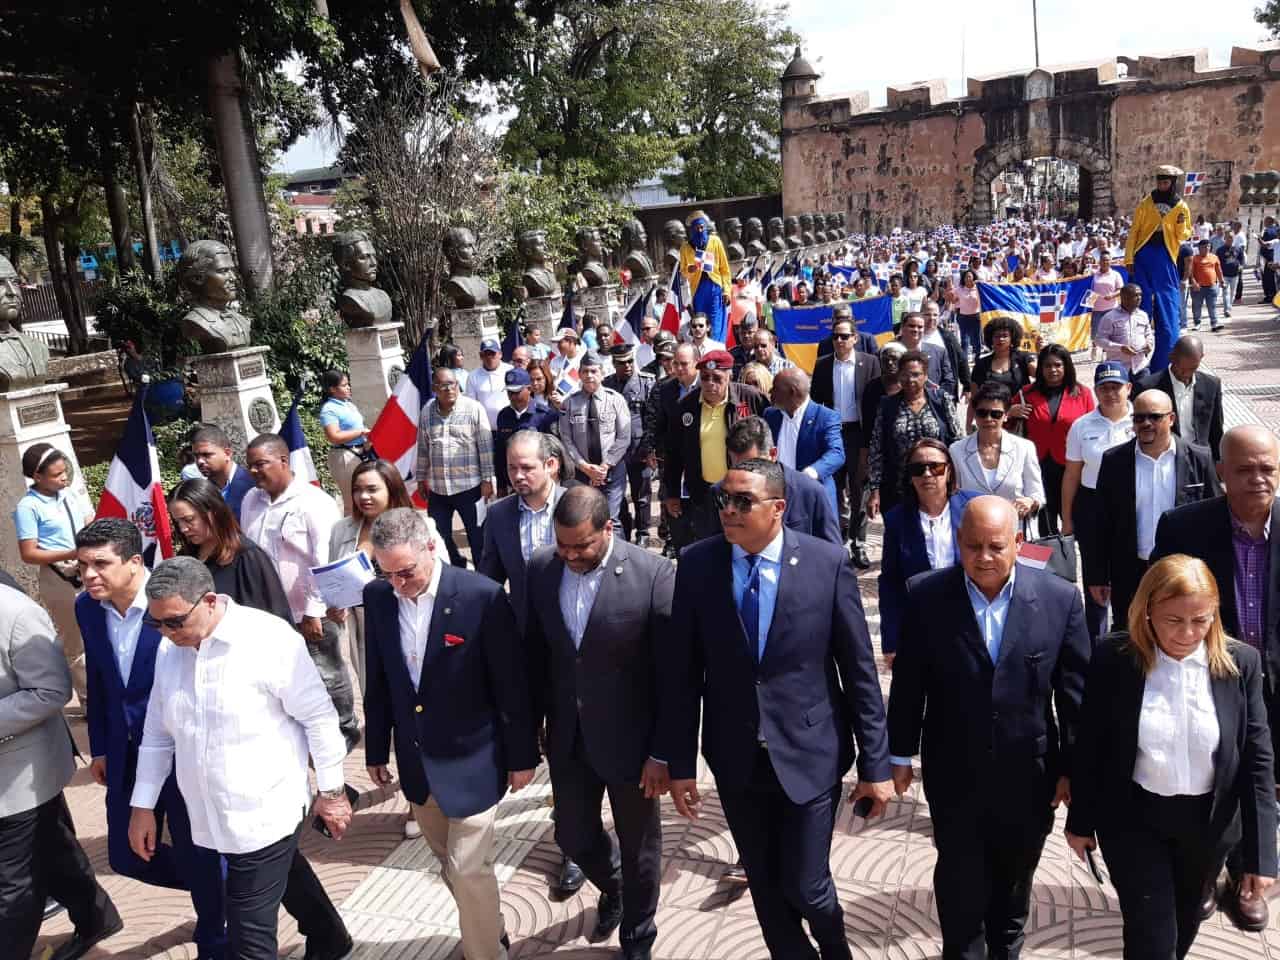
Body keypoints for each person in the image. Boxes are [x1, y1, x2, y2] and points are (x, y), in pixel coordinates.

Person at [658, 458, 893, 960]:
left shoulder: (826, 564)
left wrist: (876, 766)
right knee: (765, 885)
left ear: (779, 508)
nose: (729, 510)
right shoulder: (699, 565)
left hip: (811, 751)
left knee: (807, 885)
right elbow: (682, 673)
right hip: (736, 753)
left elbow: (859, 673)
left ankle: (835, 948)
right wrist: (679, 765)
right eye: (724, 499)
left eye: (744, 501)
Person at [888, 496, 1090, 960]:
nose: (983, 558)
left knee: (1012, 894)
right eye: (972, 546)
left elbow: (1075, 700)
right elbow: (909, 683)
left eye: (996, 546)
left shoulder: (1059, 600)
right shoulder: (927, 595)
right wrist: (897, 754)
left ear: (1018, 543)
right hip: (953, 773)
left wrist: (1072, 771)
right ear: (958, 543)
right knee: (960, 888)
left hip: (1030, 777)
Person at [130, 558, 353, 960]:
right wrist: (143, 806)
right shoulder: (171, 649)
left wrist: (332, 791)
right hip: (208, 813)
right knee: (286, 871)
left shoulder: (268, 640)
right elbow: (158, 735)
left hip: (265, 810)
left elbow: (318, 717)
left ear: (210, 601)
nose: (166, 632)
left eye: (175, 621)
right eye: (156, 623)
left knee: (249, 936)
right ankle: (331, 937)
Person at [1065, 556, 1277, 958]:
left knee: (1182, 929)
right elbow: (1091, 743)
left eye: (1200, 620)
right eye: (1173, 620)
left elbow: (1257, 760)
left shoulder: (1239, 664)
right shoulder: (1116, 658)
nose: (1187, 633)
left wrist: (1263, 855)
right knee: (1152, 938)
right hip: (1134, 822)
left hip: (1208, 829)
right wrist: (1081, 822)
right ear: (1148, 610)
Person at [363, 509, 537, 960]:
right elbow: (379, 680)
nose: (399, 583)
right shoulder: (379, 598)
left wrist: (523, 756)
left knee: (467, 869)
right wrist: (377, 749)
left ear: (430, 547)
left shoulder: (482, 596)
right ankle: (490, 927)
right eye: (389, 574)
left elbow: (512, 686)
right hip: (419, 765)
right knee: (450, 865)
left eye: (407, 572)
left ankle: (485, 954)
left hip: (475, 759)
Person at [523, 487, 675, 960]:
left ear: (608, 529)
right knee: (572, 833)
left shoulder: (653, 575)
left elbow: (675, 676)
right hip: (568, 737)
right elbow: (534, 654)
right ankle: (615, 886)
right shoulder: (541, 568)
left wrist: (664, 751)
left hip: (634, 745)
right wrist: (529, 729)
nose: (569, 555)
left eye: (581, 547)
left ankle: (638, 936)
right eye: (563, 545)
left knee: (641, 848)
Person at [73, 519, 225, 960]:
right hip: (123, 753)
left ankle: (217, 934)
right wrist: (100, 746)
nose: (89, 575)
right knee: (125, 855)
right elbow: (100, 684)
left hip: (180, 752)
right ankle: (229, 886)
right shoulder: (87, 608)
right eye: (82, 565)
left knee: (196, 847)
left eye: (100, 564)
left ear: (135, 563)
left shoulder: (172, 606)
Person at [1150, 424, 1280, 932]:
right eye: (1244, 469)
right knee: (1210, 785)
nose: (1257, 479)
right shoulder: (1183, 527)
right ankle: (1205, 875)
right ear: (1221, 473)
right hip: (1206, 683)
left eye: (1267, 468)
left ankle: (1252, 875)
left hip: (1274, 687)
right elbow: (1156, 606)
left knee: (1262, 781)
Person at [0, 577, 121, 960]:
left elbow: (51, 691)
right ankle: (96, 916)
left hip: (20, 773)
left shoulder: (16, 613)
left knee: (11, 884)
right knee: (53, 848)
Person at [240, 433, 361, 752]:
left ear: (283, 461)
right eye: (249, 466)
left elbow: (326, 558)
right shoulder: (250, 501)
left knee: (327, 675)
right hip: (268, 614)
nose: (253, 472)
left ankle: (344, 731)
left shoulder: (313, 502)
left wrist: (313, 610)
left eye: (260, 464)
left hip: (310, 614)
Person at [1088, 390, 1219, 627]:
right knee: (1131, 640)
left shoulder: (1199, 459)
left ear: (1171, 418)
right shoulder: (1114, 461)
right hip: (1131, 571)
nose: (1146, 424)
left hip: (1184, 573)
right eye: (1139, 418)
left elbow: (1217, 519)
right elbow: (1100, 521)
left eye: (1154, 417)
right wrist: (1097, 575)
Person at [325, 459, 448, 696]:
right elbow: (335, 580)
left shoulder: (421, 525)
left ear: (391, 489)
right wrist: (336, 606)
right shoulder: (341, 530)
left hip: (413, 619)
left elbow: (444, 574)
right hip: (364, 627)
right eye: (357, 490)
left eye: (372, 489)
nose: (363, 497)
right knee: (376, 692)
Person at [877, 438, 978, 668]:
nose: (927, 474)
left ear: (949, 471)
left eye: (936, 466)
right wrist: (890, 640)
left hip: (970, 623)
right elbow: (890, 582)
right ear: (910, 476)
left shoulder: (973, 507)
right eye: (918, 469)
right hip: (921, 626)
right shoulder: (896, 520)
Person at [14, 442, 93, 708]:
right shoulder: (29, 507)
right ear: (37, 477)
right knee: (75, 641)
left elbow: (87, 521)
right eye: (57, 475)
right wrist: (70, 553)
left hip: (88, 569)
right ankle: (88, 700)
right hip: (59, 578)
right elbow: (29, 553)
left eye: (65, 472)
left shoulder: (69, 494)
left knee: (98, 629)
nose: (65, 478)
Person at [1062, 361, 1135, 643]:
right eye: (1104, 388)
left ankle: (1130, 639)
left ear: (1128, 388)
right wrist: (1067, 519)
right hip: (1092, 505)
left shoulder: (1141, 421)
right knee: (1095, 580)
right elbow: (1071, 475)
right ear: (1095, 391)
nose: (1110, 393)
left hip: (1131, 504)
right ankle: (1096, 647)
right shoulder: (1082, 426)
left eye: (1116, 387)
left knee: (1128, 575)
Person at [663, 350, 767, 541]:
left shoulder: (750, 398)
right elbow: (673, 453)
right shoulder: (686, 405)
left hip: (743, 492)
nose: (710, 383)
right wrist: (672, 493)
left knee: (744, 543)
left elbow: (769, 440)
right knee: (710, 545)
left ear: (730, 376)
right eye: (705, 378)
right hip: (704, 494)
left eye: (717, 378)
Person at [170, 477, 293, 623]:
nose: (183, 528)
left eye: (189, 519)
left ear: (213, 512)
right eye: (178, 522)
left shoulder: (247, 557)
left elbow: (274, 619)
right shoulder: (184, 559)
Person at [811, 313, 880, 566]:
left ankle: (858, 542)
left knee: (859, 487)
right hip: (832, 434)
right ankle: (836, 540)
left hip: (858, 434)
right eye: (835, 336)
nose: (839, 341)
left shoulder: (870, 363)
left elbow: (875, 401)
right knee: (833, 487)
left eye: (844, 336)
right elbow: (816, 402)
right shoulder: (822, 365)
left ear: (855, 338)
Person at [867, 349, 962, 520]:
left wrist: (956, 480)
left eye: (916, 374)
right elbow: (876, 449)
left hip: (935, 480)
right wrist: (874, 491)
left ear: (925, 376)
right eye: (904, 375)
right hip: (898, 485)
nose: (910, 380)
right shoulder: (887, 405)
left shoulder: (942, 400)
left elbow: (957, 441)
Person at [415, 366, 495, 569]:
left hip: (470, 487)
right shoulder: (427, 412)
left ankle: (484, 579)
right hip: (438, 489)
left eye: (453, 384)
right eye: (443, 386)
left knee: (478, 537)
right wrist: (420, 478)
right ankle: (457, 567)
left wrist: (488, 480)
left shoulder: (473, 408)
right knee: (438, 537)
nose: (449, 389)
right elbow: (423, 448)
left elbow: (485, 448)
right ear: (435, 388)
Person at [1012, 344, 1095, 537]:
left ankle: (1070, 559)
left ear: (1066, 366)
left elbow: (1092, 427)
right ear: (1040, 368)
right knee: (1045, 523)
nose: (1053, 370)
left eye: (1058, 365)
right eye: (1047, 366)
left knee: (1073, 520)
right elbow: (1004, 425)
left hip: (1072, 467)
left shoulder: (1082, 393)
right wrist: (1010, 412)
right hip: (1038, 467)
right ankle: (1051, 563)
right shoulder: (1026, 394)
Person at [725, 416, 841, 545]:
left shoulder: (810, 492)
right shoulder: (721, 496)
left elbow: (833, 555)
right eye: (737, 466)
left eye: (753, 466)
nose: (745, 474)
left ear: (773, 454)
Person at [1125, 165, 1193, 371]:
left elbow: (1184, 235)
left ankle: (1164, 364)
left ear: (1172, 184)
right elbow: (1134, 230)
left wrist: (1180, 224)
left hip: (1166, 257)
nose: (1162, 186)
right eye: (1160, 182)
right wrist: (1129, 258)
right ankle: (1137, 363)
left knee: (1168, 309)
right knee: (1139, 305)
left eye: (1166, 183)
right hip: (1143, 254)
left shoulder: (1181, 206)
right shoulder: (1146, 203)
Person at [949, 382, 1044, 519]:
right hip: (975, 530)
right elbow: (954, 495)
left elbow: (1037, 493)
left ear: (1006, 415)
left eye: (996, 414)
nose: (988, 419)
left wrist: (1030, 501)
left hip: (1016, 528)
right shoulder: (956, 450)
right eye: (982, 413)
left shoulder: (1024, 448)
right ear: (974, 415)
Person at [559, 351, 631, 524]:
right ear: (579, 373)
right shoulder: (569, 403)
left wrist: (605, 466)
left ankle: (618, 551)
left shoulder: (616, 400)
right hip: (582, 473)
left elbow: (624, 436)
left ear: (602, 373)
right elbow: (566, 438)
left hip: (612, 471)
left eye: (594, 371)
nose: (589, 376)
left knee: (610, 520)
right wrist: (585, 467)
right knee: (586, 520)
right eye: (585, 371)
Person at [764, 368, 844, 517]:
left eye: (775, 388)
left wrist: (810, 473)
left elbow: (836, 454)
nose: (770, 392)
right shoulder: (770, 415)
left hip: (812, 498)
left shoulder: (825, 417)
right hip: (778, 498)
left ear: (792, 392)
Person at [1137, 334, 1224, 462]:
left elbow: (1216, 429)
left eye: (1193, 368)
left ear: (1201, 358)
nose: (1186, 374)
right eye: (1181, 369)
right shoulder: (1148, 387)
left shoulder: (1211, 385)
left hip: (1200, 458)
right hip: (1164, 457)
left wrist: (1218, 462)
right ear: (1171, 357)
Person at [603, 343, 657, 544]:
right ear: (613, 363)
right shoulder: (606, 385)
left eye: (629, 361)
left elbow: (652, 419)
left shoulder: (646, 383)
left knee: (641, 495)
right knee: (617, 496)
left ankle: (643, 534)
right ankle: (623, 533)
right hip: (614, 451)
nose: (627, 366)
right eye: (621, 363)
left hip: (639, 449)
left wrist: (649, 448)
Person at [493, 368, 557, 495]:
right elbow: (500, 453)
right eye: (510, 392)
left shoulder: (545, 415)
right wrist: (501, 485)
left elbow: (554, 452)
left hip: (539, 482)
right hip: (513, 482)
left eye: (517, 391)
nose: (513, 396)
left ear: (529, 388)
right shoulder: (503, 415)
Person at [968, 315, 1035, 431]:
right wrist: (968, 426)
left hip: (1021, 422)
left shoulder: (1023, 358)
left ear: (1012, 338)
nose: (1001, 339)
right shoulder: (981, 364)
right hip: (991, 421)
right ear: (990, 339)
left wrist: (1042, 351)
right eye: (997, 336)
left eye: (1005, 336)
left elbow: (1042, 375)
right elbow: (974, 399)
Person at [318, 369, 369, 516]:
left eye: (348, 384)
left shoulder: (348, 404)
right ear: (332, 389)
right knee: (352, 502)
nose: (348, 387)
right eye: (344, 385)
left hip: (360, 453)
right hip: (344, 456)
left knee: (366, 497)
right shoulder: (329, 410)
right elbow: (333, 436)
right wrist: (361, 432)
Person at [188, 423, 257, 521]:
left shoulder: (254, 484)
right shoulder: (201, 492)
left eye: (206, 455)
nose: (200, 461)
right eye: (196, 456)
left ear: (227, 453)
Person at [896, 312, 956, 398]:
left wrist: (937, 394)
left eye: (920, 327)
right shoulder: (889, 353)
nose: (916, 329)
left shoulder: (939, 352)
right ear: (902, 327)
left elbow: (949, 381)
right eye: (911, 326)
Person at [922, 300, 970, 404]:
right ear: (921, 315)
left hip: (943, 393)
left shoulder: (947, 337)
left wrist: (967, 387)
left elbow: (962, 360)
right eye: (927, 314)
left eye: (935, 315)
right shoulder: (914, 336)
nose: (931, 318)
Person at [465, 338, 515, 429]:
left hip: (509, 425)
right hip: (485, 429)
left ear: (500, 354)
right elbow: (471, 405)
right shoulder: (473, 376)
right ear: (480, 356)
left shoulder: (510, 370)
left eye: (492, 354)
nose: (489, 357)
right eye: (486, 354)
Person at [1188, 238, 1225, 332]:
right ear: (1199, 248)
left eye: (1208, 246)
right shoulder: (1194, 258)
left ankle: (1214, 323)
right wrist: (1194, 283)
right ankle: (1197, 323)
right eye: (1204, 247)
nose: (1207, 248)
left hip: (1211, 286)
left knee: (1212, 306)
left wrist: (1221, 281)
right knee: (1196, 306)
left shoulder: (1214, 257)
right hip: (1198, 288)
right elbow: (1190, 273)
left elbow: (1218, 270)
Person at [951, 268, 982, 361]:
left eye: (969, 276)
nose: (968, 278)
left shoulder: (979, 288)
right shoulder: (959, 289)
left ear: (973, 278)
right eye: (966, 277)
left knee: (976, 339)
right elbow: (954, 300)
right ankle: (963, 360)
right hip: (963, 317)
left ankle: (978, 358)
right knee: (964, 340)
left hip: (976, 316)